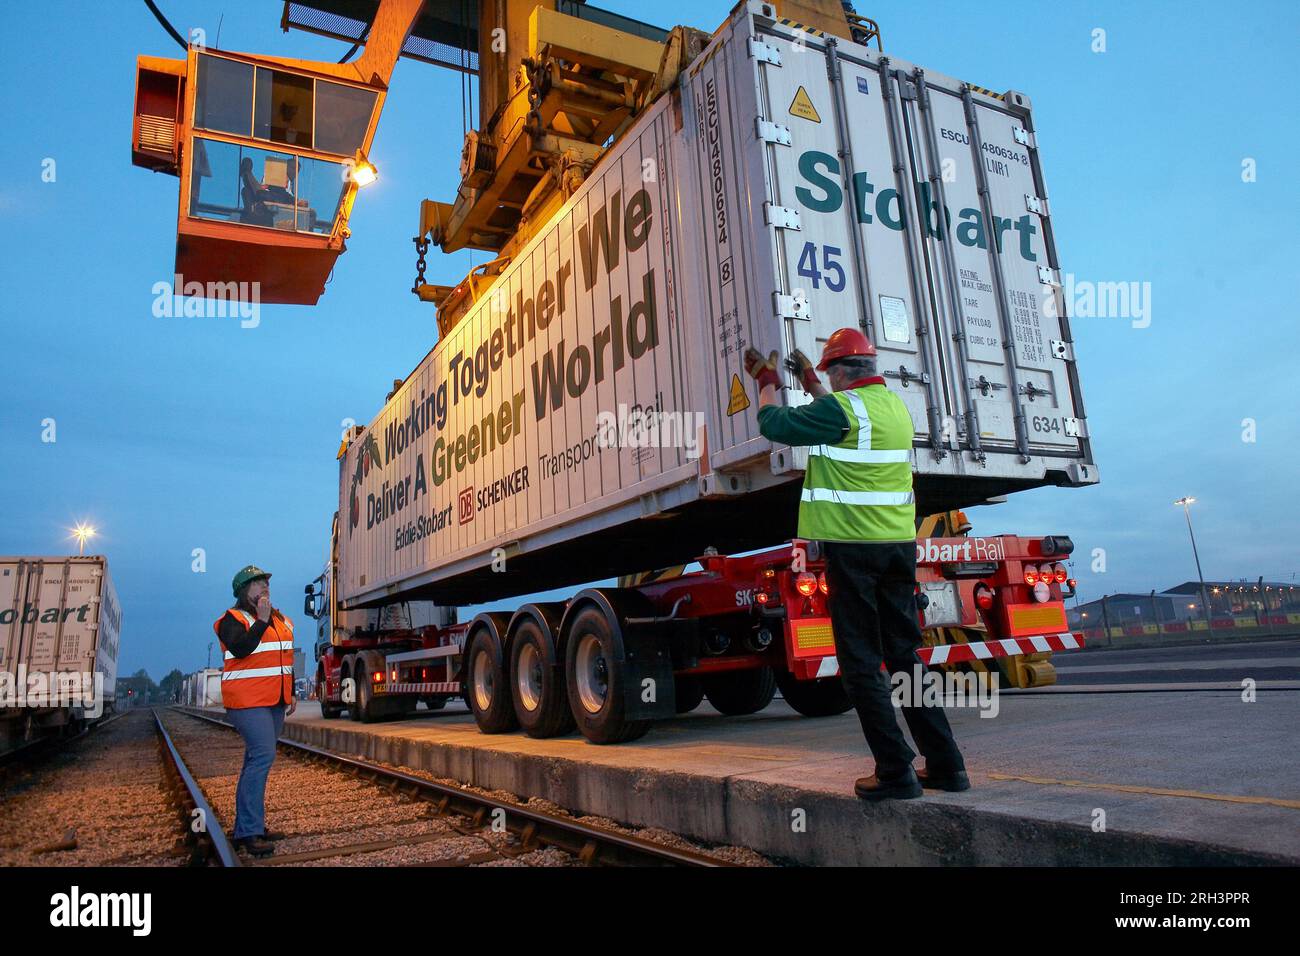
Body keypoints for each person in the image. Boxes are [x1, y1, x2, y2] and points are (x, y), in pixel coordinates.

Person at [743, 329, 968, 801]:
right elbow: (843, 422)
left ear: (842, 372)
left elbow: (775, 424)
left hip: (854, 549)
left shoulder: (842, 410)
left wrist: (766, 381)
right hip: (898, 547)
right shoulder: (893, 408)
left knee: (861, 661)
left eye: (830, 374)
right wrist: (810, 381)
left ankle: (895, 773)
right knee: (905, 656)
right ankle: (946, 765)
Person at [213, 565, 297, 855]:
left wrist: (292, 691)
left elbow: (285, 657)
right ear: (242, 592)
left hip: (274, 700)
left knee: (255, 760)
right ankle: (249, 831)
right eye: (256, 583)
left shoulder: (280, 619)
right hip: (247, 701)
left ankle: (250, 827)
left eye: (265, 583)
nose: (264, 587)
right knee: (263, 756)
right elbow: (241, 649)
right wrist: (261, 621)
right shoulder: (232, 620)